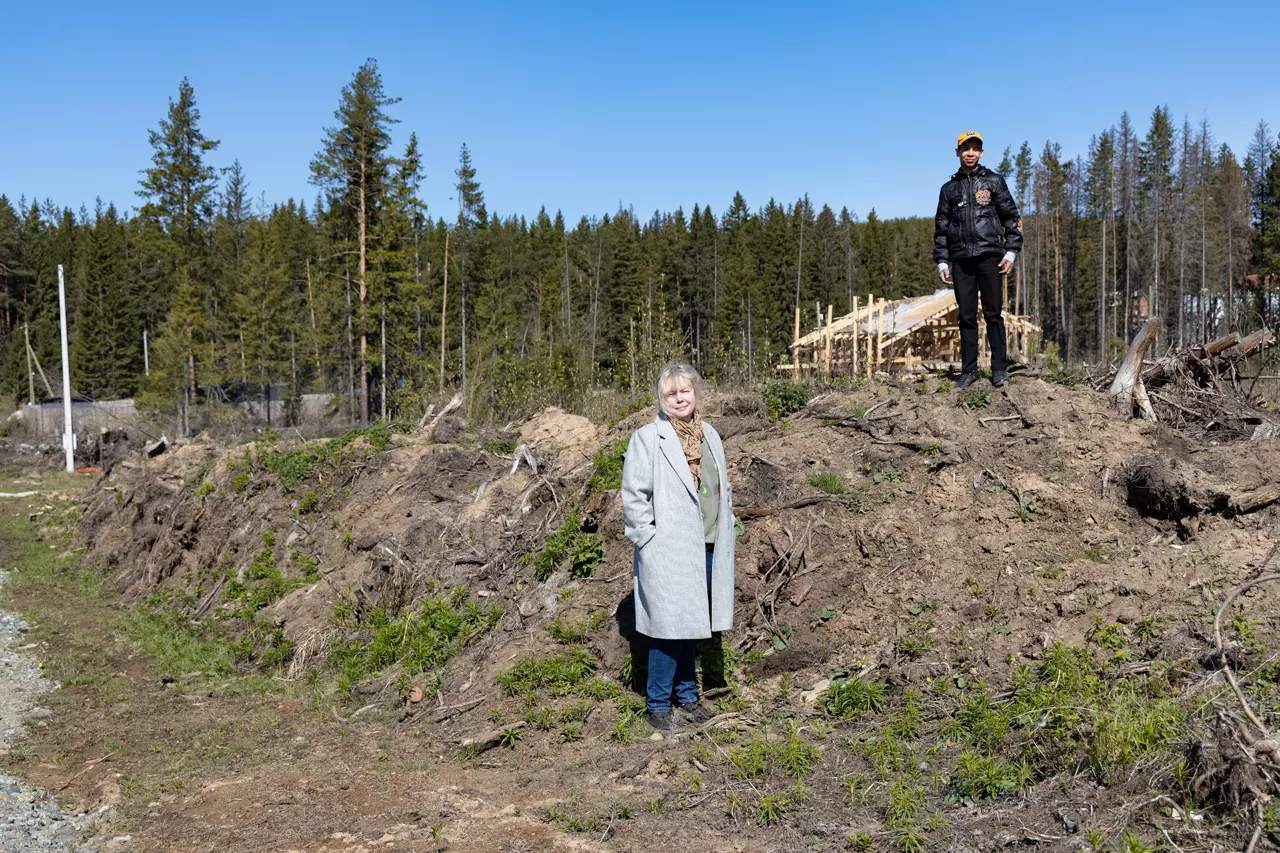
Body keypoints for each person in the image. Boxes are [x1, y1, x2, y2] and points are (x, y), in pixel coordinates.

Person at [621, 361, 735, 731]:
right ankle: (657, 705)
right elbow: (634, 494)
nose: (679, 398)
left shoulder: (711, 436)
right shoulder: (647, 438)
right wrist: (647, 539)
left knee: (692, 625)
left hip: (706, 545)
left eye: (684, 391)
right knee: (668, 629)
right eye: (671, 393)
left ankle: (687, 697)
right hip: (667, 550)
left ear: (695, 394)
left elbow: (720, 489)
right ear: (661, 399)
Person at [933, 130, 1023, 388]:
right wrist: (942, 260)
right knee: (967, 316)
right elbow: (941, 226)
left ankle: (999, 370)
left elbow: (1012, 217)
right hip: (961, 260)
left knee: (994, 314)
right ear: (957, 152)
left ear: (981, 153)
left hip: (990, 257)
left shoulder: (994, 182)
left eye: (975, 148)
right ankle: (969, 370)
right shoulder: (948, 189)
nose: (970, 153)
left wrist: (1011, 251)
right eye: (965, 148)